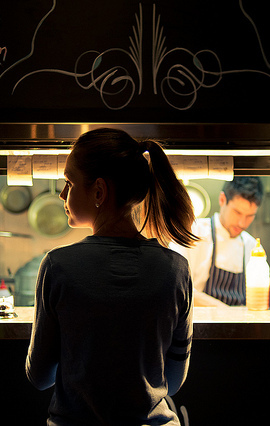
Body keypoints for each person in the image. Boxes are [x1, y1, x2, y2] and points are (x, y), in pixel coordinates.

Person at [26, 128, 196, 425]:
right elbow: (173, 380)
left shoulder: (57, 266)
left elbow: (40, 377)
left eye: (69, 182)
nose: (62, 193)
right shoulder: (177, 269)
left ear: (99, 192)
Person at [170, 177, 263, 307]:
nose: (242, 223)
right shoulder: (194, 234)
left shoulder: (252, 246)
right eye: (237, 212)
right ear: (222, 199)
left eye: (250, 216)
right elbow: (175, 286)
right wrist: (224, 311)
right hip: (199, 325)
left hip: (240, 325)